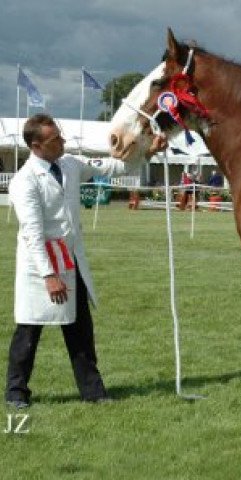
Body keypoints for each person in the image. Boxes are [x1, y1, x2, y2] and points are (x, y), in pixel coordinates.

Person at [5, 113, 167, 408]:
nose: (63, 141)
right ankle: (16, 392)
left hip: (71, 261)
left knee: (80, 329)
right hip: (39, 266)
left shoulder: (70, 164)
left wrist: (147, 151)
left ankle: (93, 391)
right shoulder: (24, 182)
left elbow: (114, 166)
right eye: (56, 139)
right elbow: (32, 234)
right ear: (37, 145)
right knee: (29, 330)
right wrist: (48, 276)